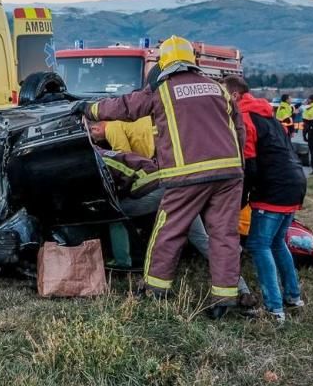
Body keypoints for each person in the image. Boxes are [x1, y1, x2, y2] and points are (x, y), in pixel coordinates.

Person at [73, 35, 245, 318]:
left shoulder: (163, 90)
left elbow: (125, 108)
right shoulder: (219, 89)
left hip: (185, 175)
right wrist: (238, 168)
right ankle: (224, 299)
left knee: (168, 232)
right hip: (228, 173)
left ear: (163, 63)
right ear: (193, 60)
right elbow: (238, 131)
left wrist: (88, 109)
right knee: (224, 235)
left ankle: (155, 289)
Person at [87, 118, 256, 305]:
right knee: (201, 239)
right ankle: (242, 289)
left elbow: (122, 183)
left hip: (160, 190)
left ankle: (124, 263)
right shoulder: (109, 152)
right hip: (178, 184)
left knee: (114, 212)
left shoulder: (99, 159)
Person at [223, 75, 306, 322]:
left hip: (273, 189)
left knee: (258, 245)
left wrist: (239, 201)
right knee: (277, 242)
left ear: (235, 96)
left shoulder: (245, 118)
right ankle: (293, 297)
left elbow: (251, 167)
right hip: (295, 182)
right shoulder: (269, 116)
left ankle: (274, 309)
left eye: (225, 97)